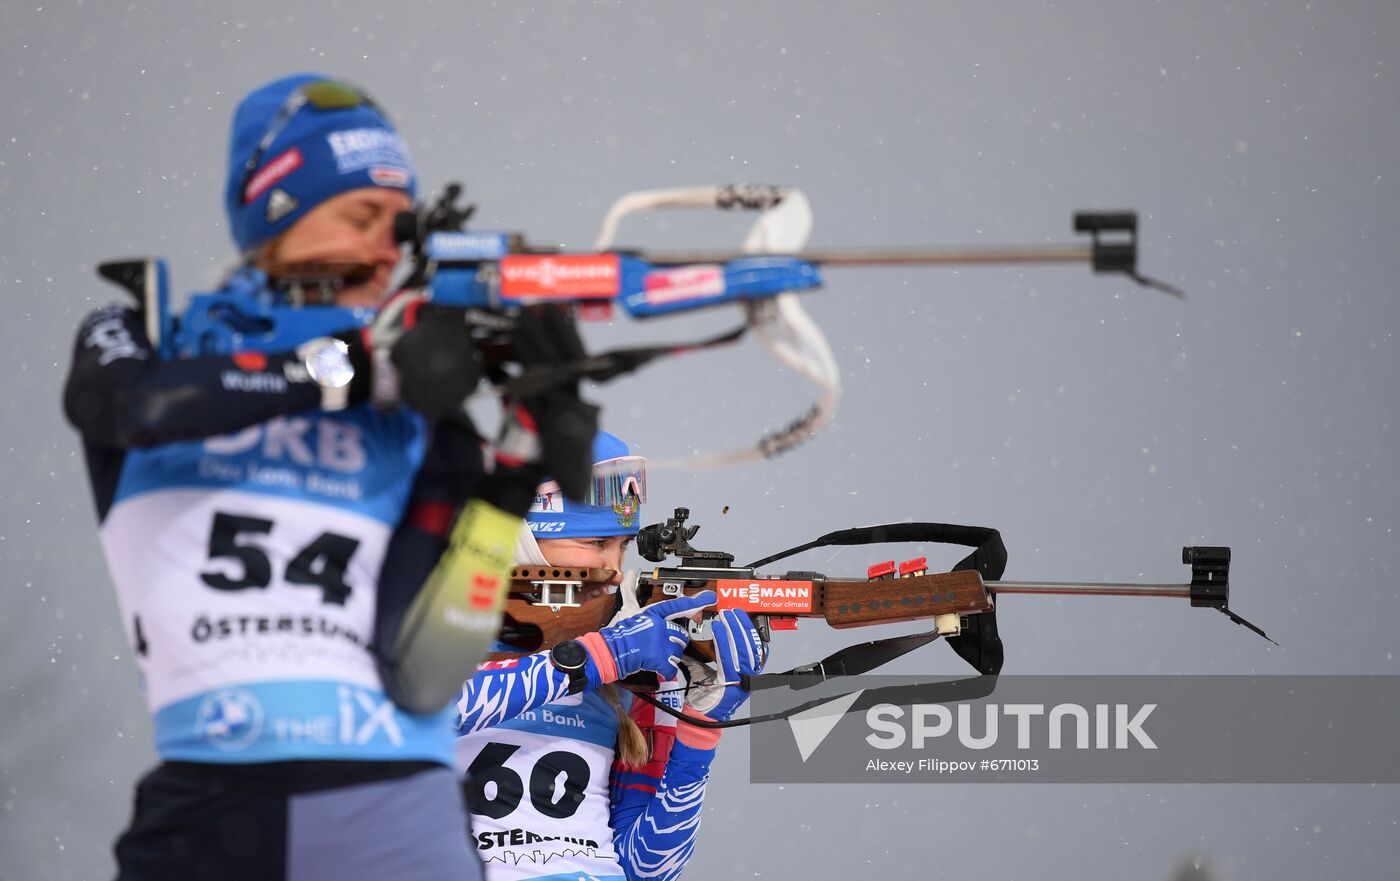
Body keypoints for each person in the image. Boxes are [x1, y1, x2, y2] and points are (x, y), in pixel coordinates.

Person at [63, 72, 596, 880]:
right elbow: (130, 406)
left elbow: (425, 669)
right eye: (362, 216)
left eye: (400, 225)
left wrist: (517, 464)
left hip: (396, 811)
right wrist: (350, 366)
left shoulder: (414, 409)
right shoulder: (146, 329)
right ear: (278, 209)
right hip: (206, 806)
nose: (389, 249)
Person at [454, 433, 766, 881]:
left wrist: (698, 740)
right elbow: (420, 716)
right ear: (520, 541)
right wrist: (598, 656)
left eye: (622, 546)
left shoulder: (628, 680)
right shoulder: (431, 638)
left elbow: (647, 869)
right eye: (595, 544)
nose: (618, 570)